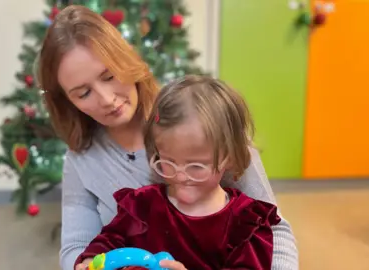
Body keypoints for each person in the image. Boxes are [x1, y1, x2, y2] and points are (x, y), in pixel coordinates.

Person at [37, 4, 298, 270]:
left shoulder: (201, 120)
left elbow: (274, 230)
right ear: (67, 101)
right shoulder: (87, 163)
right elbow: (77, 248)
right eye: (83, 93)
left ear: (127, 61)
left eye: (109, 76)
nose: (106, 99)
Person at [74, 75, 282, 270]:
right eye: (168, 162)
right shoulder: (142, 205)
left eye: (196, 166)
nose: (180, 177)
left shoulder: (245, 224)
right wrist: (92, 258)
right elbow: (111, 237)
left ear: (228, 157)